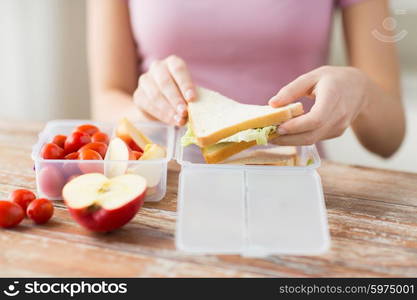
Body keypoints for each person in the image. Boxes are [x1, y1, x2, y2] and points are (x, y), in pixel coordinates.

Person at [88, 0, 405, 158]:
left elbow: (389, 139)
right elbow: (107, 98)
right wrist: (145, 113)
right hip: (166, 186)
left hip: (294, 183)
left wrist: (361, 91)